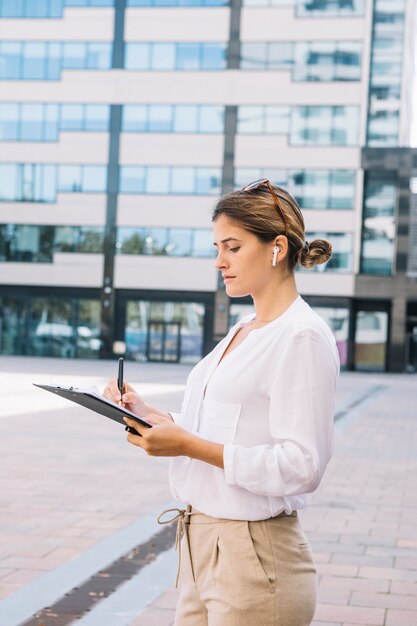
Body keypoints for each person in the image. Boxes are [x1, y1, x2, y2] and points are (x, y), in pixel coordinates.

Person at [103, 179, 340, 626]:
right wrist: (152, 415)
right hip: (200, 545)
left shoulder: (301, 336)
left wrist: (188, 447)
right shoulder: (243, 329)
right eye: (217, 247)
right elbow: (221, 424)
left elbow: (302, 465)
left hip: (255, 559)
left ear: (277, 247)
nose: (219, 261)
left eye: (232, 247)